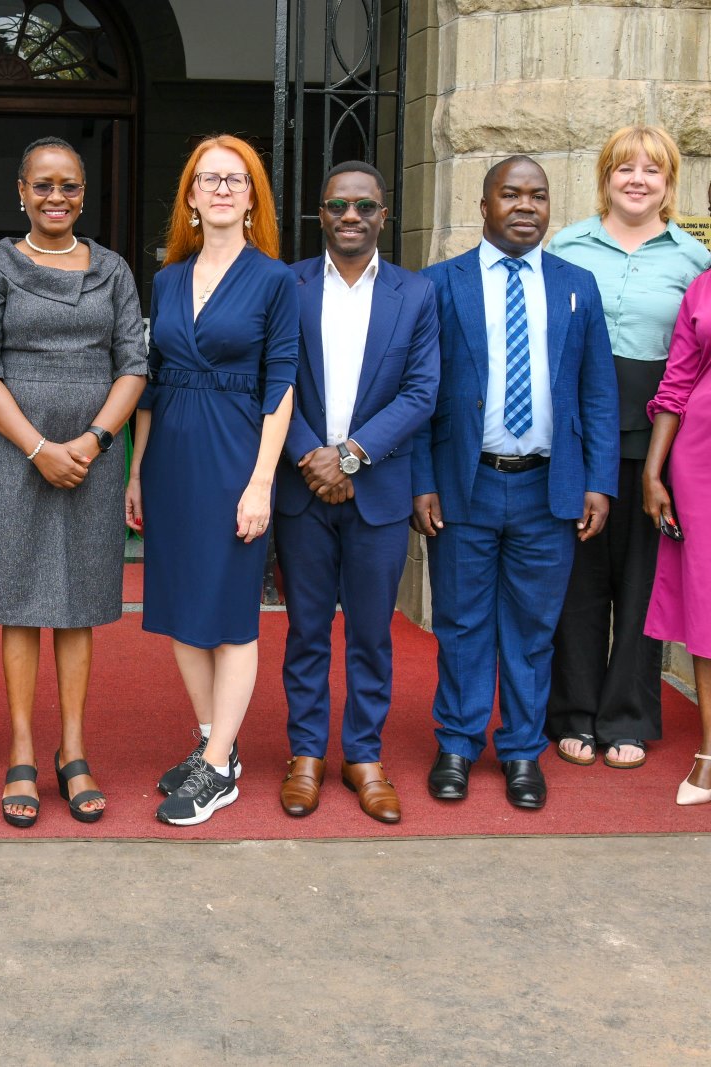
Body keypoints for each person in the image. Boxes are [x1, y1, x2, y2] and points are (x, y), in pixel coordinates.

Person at [412, 155, 619, 811]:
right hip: (465, 483)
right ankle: (457, 743)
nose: (526, 206)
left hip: (548, 488)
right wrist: (422, 479)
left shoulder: (577, 286)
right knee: (461, 621)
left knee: (533, 627)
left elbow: (598, 394)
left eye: (538, 195)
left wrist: (599, 481)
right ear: (484, 206)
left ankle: (523, 750)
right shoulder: (439, 285)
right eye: (511, 194)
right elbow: (419, 394)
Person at [0, 136, 147, 828]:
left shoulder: (113, 270)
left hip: (90, 459)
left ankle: (73, 748)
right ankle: (20, 749)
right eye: (42, 185)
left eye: (68, 185)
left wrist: (95, 441)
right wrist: (38, 447)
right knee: (17, 600)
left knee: (77, 602)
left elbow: (133, 363)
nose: (56, 197)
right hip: (15, 453)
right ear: (21, 192)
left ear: (83, 192)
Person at [128, 134, 296, 827]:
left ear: (252, 197)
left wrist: (260, 483)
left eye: (235, 179)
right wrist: (137, 471)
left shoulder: (275, 280)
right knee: (178, 608)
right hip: (170, 458)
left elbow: (281, 387)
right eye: (209, 179)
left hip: (235, 458)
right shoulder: (168, 279)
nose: (222, 189)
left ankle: (220, 765)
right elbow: (152, 381)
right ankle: (213, 745)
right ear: (191, 197)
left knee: (228, 614)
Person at [273, 162, 440, 823]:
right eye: (338, 204)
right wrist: (312, 458)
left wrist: (349, 457)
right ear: (320, 212)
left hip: (378, 492)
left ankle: (363, 755)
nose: (351, 215)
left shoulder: (415, 293)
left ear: (383, 216)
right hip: (302, 490)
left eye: (364, 205)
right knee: (306, 632)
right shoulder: (287, 285)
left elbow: (421, 392)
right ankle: (306, 754)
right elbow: (274, 378)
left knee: (371, 635)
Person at [546, 126, 711, 771]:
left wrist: (663, 464)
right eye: (624, 168)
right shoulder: (567, 246)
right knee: (578, 582)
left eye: (652, 170)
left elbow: (692, 364)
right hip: (577, 436)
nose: (637, 180)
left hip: (659, 446)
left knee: (644, 584)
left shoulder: (693, 260)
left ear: (669, 184)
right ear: (605, 178)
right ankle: (574, 714)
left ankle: (629, 719)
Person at [643, 270, 711, 804]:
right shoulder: (702, 287)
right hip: (701, 461)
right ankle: (710, 753)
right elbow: (677, 383)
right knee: (708, 605)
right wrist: (653, 471)